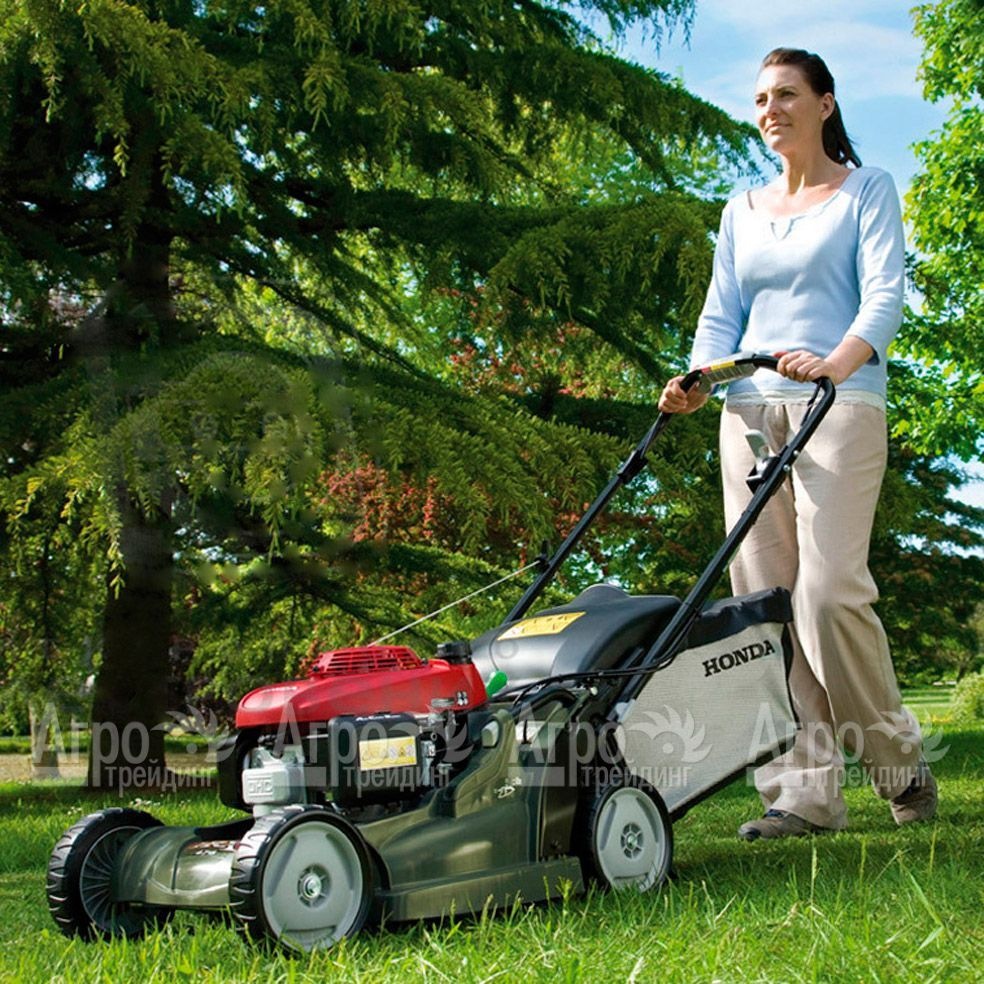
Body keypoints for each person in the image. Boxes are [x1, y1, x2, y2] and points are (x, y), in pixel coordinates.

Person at [659, 47, 937, 840]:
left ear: (824, 103)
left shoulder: (866, 190)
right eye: (759, 99)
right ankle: (803, 794)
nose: (770, 110)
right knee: (765, 605)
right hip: (748, 410)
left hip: (837, 403)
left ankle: (898, 765)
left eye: (785, 94)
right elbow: (721, 313)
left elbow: (885, 295)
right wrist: (697, 376)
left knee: (828, 594)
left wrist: (836, 363)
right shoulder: (741, 210)